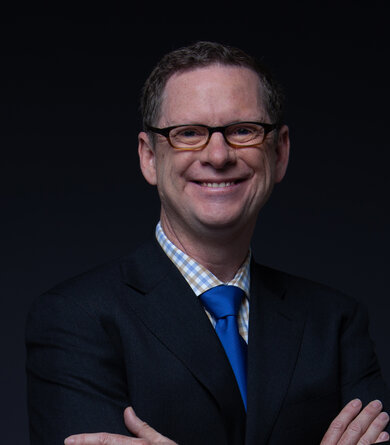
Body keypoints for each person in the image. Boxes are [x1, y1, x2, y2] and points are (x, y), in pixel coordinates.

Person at [26, 41, 390, 445]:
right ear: (149, 157)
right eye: (189, 133)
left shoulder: (336, 323)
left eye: (243, 131)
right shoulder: (74, 319)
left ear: (280, 152)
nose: (218, 155)